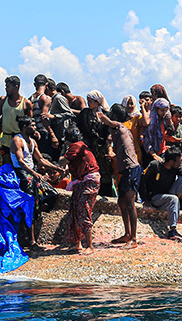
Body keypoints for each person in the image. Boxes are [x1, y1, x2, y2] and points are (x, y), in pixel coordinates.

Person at [11, 116, 66, 249]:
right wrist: (34, 173)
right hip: (22, 174)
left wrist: (57, 168)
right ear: (25, 127)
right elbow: (20, 161)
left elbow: (41, 160)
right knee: (31, 206)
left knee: (52, 195)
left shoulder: (32, 141)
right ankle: (31, 240)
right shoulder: (17, 140)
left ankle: (35, 215)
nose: (35, 128)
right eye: (33, 125)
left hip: (31, 173)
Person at [99, 103, 142, 249]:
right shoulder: (118, 133)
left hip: (132, 170)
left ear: (115, 116)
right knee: (121, 202)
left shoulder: (121, 127)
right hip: (125, 171)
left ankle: (134, 239)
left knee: (130, 204)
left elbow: (109, 122)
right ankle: (127, 234)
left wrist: (99, 113)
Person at [140, 147, 182, 241]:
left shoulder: (177, 167)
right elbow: (142, 181)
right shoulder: (155, 165)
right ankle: (172, 231)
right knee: (173, 199)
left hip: (168, 193)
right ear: (171, 162)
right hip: (155, 196)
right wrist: (145, 199)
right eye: (179, 160)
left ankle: (174, 205)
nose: (181, 162)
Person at [60, 126, 100, 254]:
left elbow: (62, 162)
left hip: (88, 181)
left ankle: (90, 245)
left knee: (83, 209)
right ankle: (77, 243)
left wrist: (63, 150)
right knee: (75, 210)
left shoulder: (76, 146)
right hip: (82, 181)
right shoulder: (80, 145)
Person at [78, 91, 115, 197]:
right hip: (89, 147)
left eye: (91, 101)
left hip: (102, 148)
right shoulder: (84, 113)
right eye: (88, 101)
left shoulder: (105, 114)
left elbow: (108, 130)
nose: (89, 104)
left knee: (104, 172)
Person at [0, 76, 33, 154]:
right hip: (5, 138)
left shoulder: (26, 103)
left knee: (18, 163)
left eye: (8, 87)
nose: (6, 89)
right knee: (7, 164)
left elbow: (30, 122)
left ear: (16, 87)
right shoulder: (3, 100)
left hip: (19, 139)